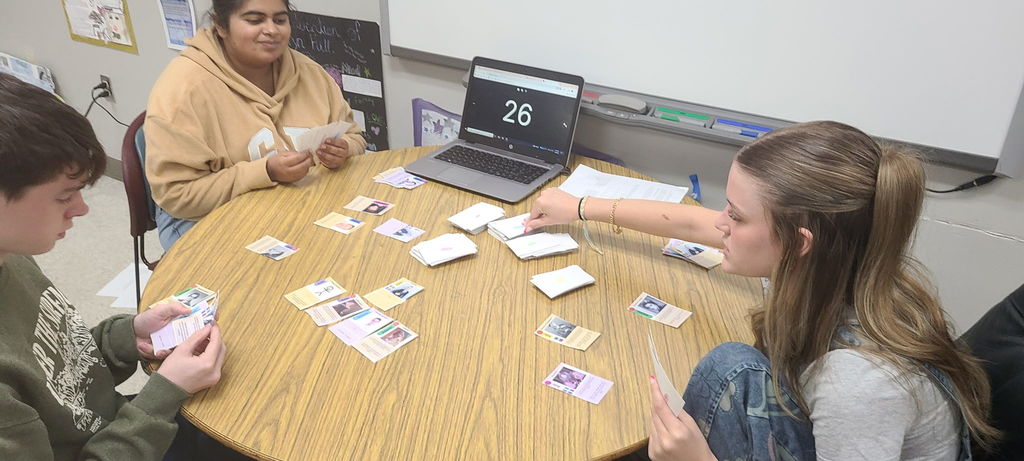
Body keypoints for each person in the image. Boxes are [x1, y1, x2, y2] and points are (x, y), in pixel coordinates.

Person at [525, 120, 999, 460]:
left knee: (723, 369)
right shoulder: (842, 262)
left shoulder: (859, 384)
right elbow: (691, 222)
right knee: (729, 363)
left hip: (853, 425)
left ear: (798, 242)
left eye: (735, 215)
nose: (720, 223)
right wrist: (581, 206)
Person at [0, 74, 231, 459]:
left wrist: (130, 337)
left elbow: (61, 367)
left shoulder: (12, 254)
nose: (83, 209)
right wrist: (166, 392)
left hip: (120, 425)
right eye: (64, 197)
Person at [146, 0, 367, 249]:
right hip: (206, 216)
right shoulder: (182, 91)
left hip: (297, 203)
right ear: (220, 25)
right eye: (255, 20)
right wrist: (266, 172)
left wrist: (344, 149)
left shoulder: (310, 72)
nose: (272, 30)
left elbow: (355, 137)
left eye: (280, 20)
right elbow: (178, 196)